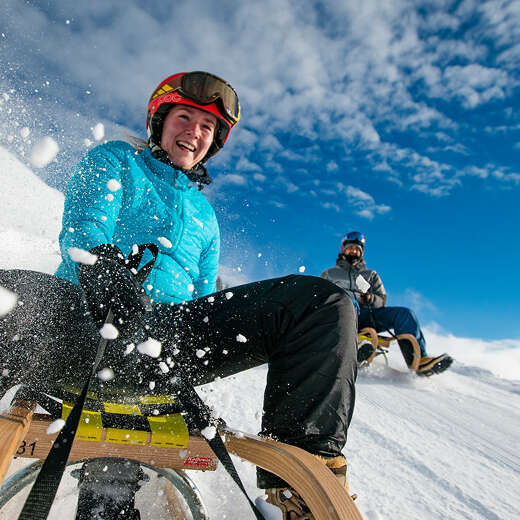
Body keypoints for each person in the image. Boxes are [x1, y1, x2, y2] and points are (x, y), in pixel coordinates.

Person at [0, 71, 358, 518]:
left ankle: (302, 488)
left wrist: (185, 373)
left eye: (207, 127)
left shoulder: (206, 216)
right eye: (185, 117)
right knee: (8, 293)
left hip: (164, 350)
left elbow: (204, 300)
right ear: (159, 121)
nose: (194, 131)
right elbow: (84, 226)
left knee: (321, 303)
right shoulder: (115, 160)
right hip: (85, 327)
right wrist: (105, 271)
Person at [321, 231, 453, 376]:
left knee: (404, 314)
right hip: (341, 314)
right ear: (343, 249)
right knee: (349, 302)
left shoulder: (371, 275)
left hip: (368, 315)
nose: (353, 251)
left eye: (357, 249)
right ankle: (356, 350)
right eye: (350, 248)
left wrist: (370, 298)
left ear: (361, 252)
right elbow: (320, 295)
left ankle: (419, 361)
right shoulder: (329, 274)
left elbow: (382, 300)